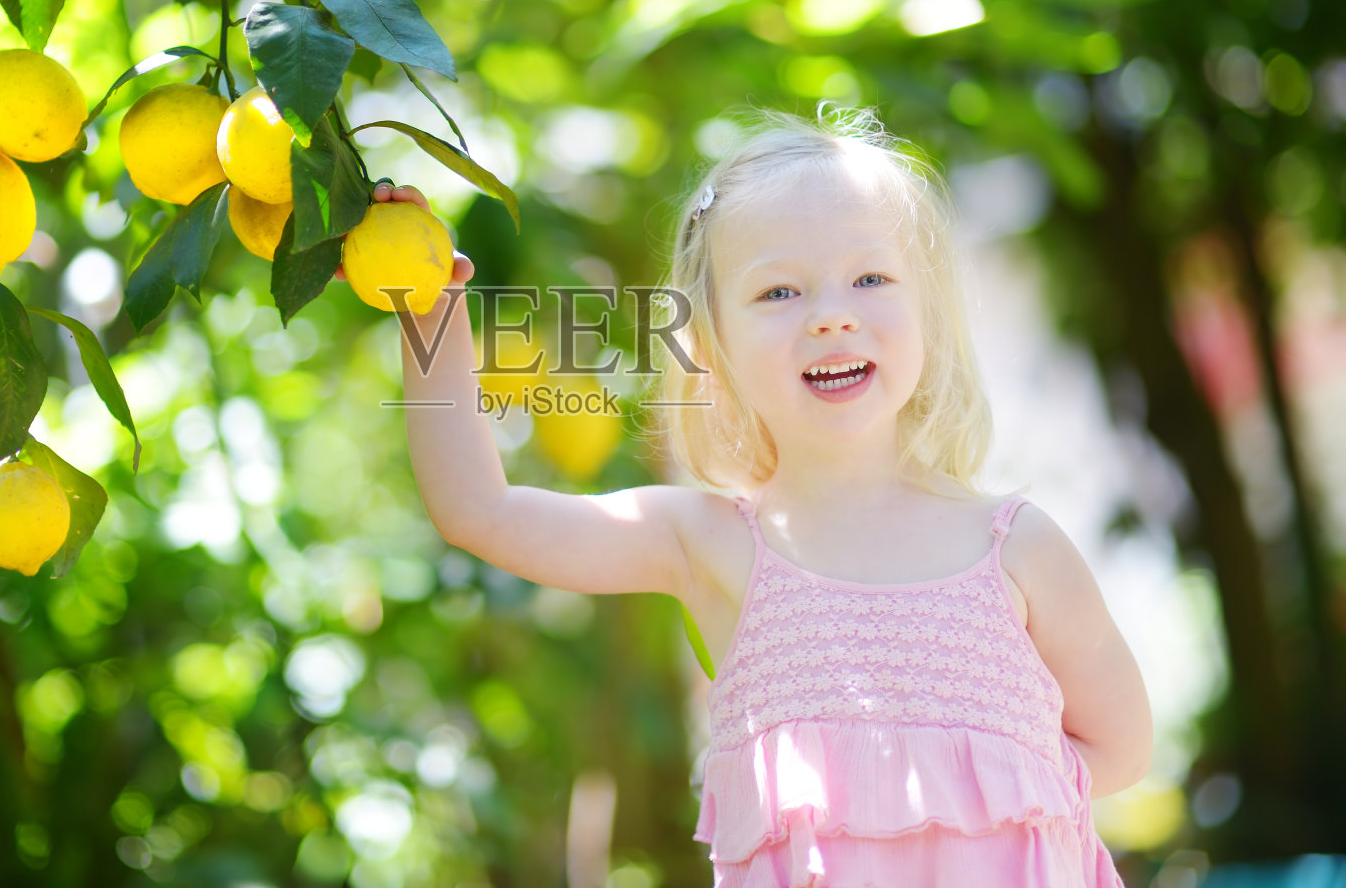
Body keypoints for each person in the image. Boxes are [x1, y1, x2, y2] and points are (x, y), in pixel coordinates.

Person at [355, 106, 1152, 887]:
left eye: (870, 277)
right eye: (779, 292)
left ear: (929, 314)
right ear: (711, 348)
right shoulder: (714, 542)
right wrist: (429, 316)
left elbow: (1120, 748)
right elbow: (478, 512)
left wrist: (965, 797)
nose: (832, 316)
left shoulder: (1016, 548)